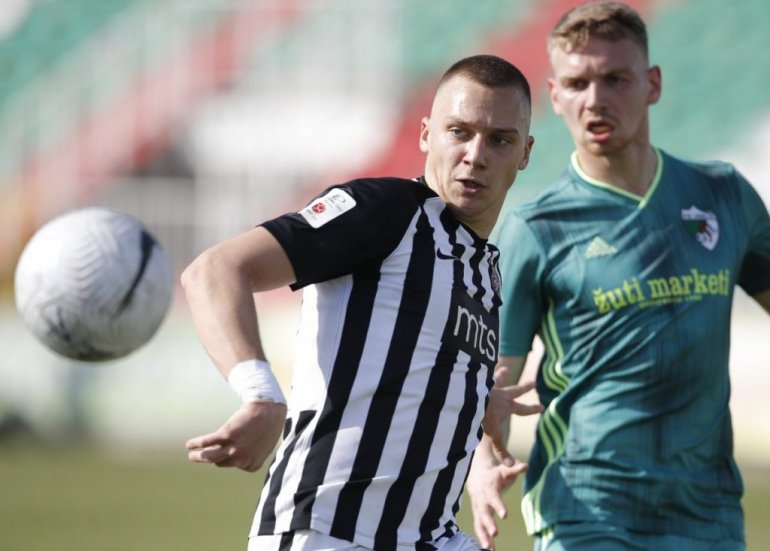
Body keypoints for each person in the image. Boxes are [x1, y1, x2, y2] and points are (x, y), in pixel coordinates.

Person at [181, 54, 538, 551]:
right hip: (329, 532)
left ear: (525, 153)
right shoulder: (386, 211)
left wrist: (470, 400)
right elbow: (215, 271)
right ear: (426, 135)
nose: (475, 155)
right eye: (459, 131)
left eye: (499, 140)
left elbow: (413, 372)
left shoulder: (484, 270)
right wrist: (259, 393)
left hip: (428, 536)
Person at [467, 2, 770, 550]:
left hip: (710, 515)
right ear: (555, 96)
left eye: (615, 79)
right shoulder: (537, 229)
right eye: (577, 83)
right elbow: (495, 381)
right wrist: (484, 463)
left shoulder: (722, 194)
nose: (595, 99)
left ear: (652, 84)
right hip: (587, 513)